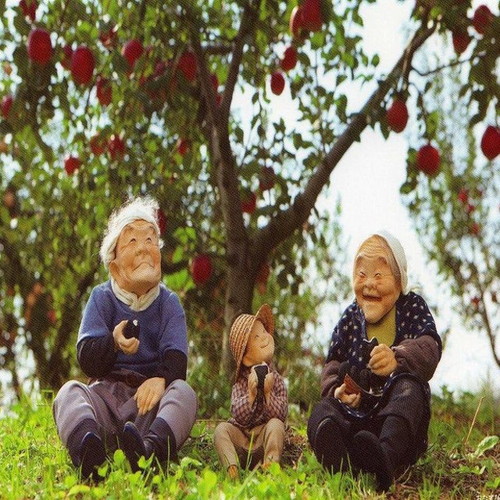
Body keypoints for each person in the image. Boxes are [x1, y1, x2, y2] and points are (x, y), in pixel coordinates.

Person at [52, 197, 197, 479]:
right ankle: (87, 450)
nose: (143, 248)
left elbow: (177, 357)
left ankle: (151, 451)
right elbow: (87, 359)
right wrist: (113, 343)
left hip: (149, 404)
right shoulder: (101, 298)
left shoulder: (169, 303)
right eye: (132, 242)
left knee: (184, 394)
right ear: (114, 265)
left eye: (150, 240)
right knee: (69, 392)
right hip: (106, 396)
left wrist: (160, 379)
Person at [307, 231, 442, 491]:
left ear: (400, 279)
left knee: (409, 390)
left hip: (397, 422)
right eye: (362, 275)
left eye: (379, 275)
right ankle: (340, 458)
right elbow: (333, 362)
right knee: (322, 409)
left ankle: (385, 459)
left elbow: (430, 347)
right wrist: (337, 390)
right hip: (355, 417)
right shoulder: (349, 318)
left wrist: (398, 358)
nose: (369, 283)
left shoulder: (412, 307)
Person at [214, 304, 288, 479]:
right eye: (256, 336)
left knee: (276, 426)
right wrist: (251, 394)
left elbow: (282, 412)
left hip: (263, 438)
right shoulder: (241, 383)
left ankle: (271, 466)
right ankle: (231, 467)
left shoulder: (276, 379)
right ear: (246, 358)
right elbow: (237, 414)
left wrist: (269, 395)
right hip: (242, 438)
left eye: (264, 332)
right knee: (221, 430)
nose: (264, 337)